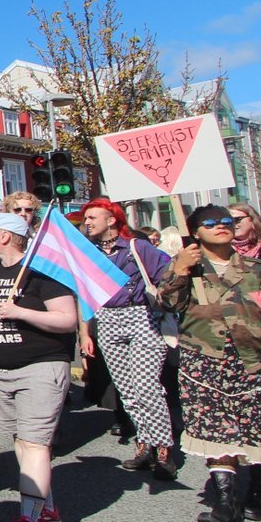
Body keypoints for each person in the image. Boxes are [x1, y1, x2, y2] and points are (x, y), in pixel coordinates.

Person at [161, 206, 261, 522]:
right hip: (204, 363)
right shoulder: (187, 266)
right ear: (195, 232)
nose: (220, 226)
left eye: (226, 222)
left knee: (260, 430)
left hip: (254, 363)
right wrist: (180, 270)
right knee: (215, 434)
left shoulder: (260, 270)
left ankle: (258, 490)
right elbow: (169, 305)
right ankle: (226, 506)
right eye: (210, 223)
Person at [0, 212, 78, 522]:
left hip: (40, 367)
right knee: (22, 440)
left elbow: (67, 319)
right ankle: (48, 508)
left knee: (35, 443)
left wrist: (20, 312)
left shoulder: (43, 272)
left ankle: (29, 519)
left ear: (5, 236)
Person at [79, 199, 178, 479]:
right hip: (107, 319)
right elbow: (84, 294)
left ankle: (164, 449)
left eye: (93, 217)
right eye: (86, 218)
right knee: (127, 389)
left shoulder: (137, 247)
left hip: (141, 316)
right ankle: (144, 443)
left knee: (147, 385)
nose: (87, 222)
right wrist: (85, 332)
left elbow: (168, 276)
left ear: (111, 220)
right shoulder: (90, 253)